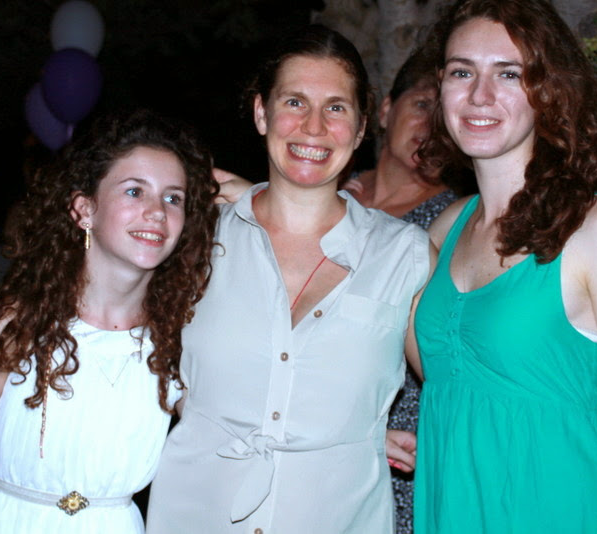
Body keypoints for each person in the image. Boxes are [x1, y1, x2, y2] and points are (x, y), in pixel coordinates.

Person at [146, 25, 431, 534]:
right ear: (262, 113)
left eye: (336, 108)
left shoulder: (404, 256)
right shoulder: (194, 238)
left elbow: (462, 388)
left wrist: (352, 433)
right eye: (294, 102)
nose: (313, 127)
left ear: (361, 129)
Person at [408, 0, 597, 532]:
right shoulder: (441, 232)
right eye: (462, 72)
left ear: (547, 91)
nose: (480, 94)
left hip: (564, 509)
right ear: (441, 87)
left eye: (509, 74)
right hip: (455, 510)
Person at [0, 109, 218, 534]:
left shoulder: (181, 340)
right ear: (85, 209)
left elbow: (227, 444)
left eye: (174, 198)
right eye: (135, 191)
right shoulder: (15, 324)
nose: (157, 211)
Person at [342, 48, 457, 534]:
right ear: (386, 110)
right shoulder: (326, 190)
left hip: (403, 448)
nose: (430, 127)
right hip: (306, 431)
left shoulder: (453, 224)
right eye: (422, 105)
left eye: (444, 117)